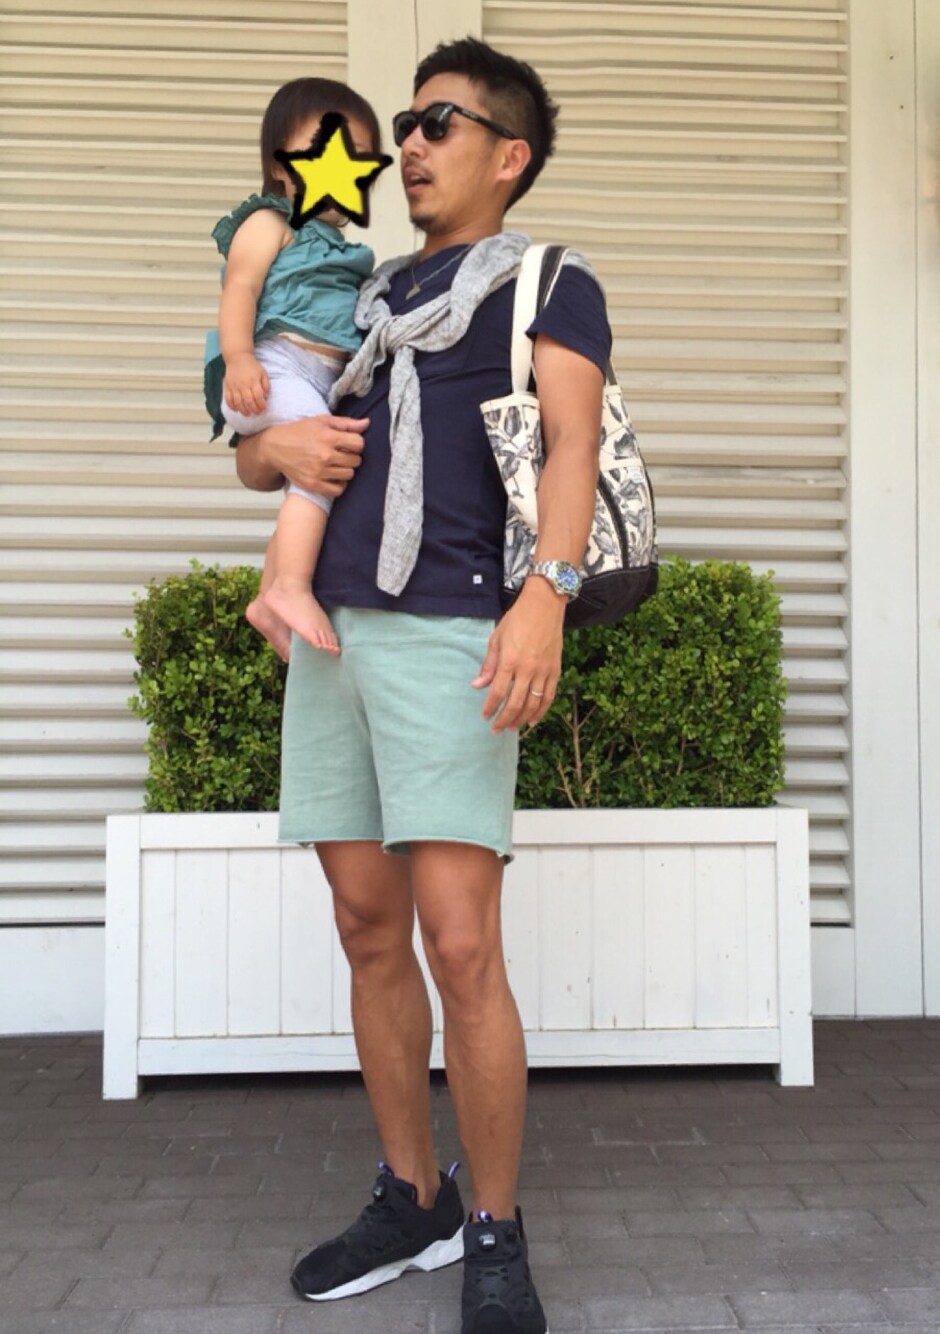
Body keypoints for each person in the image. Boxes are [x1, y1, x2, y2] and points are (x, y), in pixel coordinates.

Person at [234, 37, 609, 1334]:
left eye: (437, 122)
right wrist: (274, 443)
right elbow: (264, 450)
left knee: (459, 940)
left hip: (454, 630)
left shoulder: (551, 281)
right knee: (365, 924)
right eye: (404, 123)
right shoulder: (362, 286)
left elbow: (571, 443)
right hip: (331, 632)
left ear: (508, 153)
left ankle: (494, 1223)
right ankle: (415, 1194)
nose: (407, 144)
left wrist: (546, 595)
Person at [205, 77, 381, 662]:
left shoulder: (342, 250)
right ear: (281, 168)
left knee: (314, 473)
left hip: (314, 380)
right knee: (322, 463)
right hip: (271, 369)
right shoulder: (269, 224)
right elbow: (240, 289)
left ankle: (266, 599)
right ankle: (291, 586)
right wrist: (239, 359)